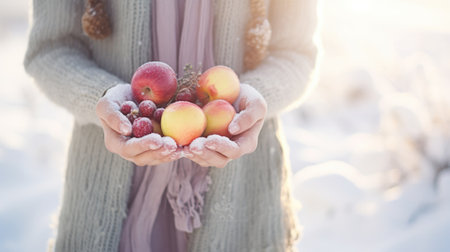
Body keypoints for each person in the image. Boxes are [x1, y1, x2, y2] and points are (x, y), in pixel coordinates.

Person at [24, 0, 318, 251]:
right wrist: (104, 100)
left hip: (241, 196)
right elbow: (50, 49)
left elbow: (296, 54)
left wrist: (252, 99)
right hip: (108, 195)